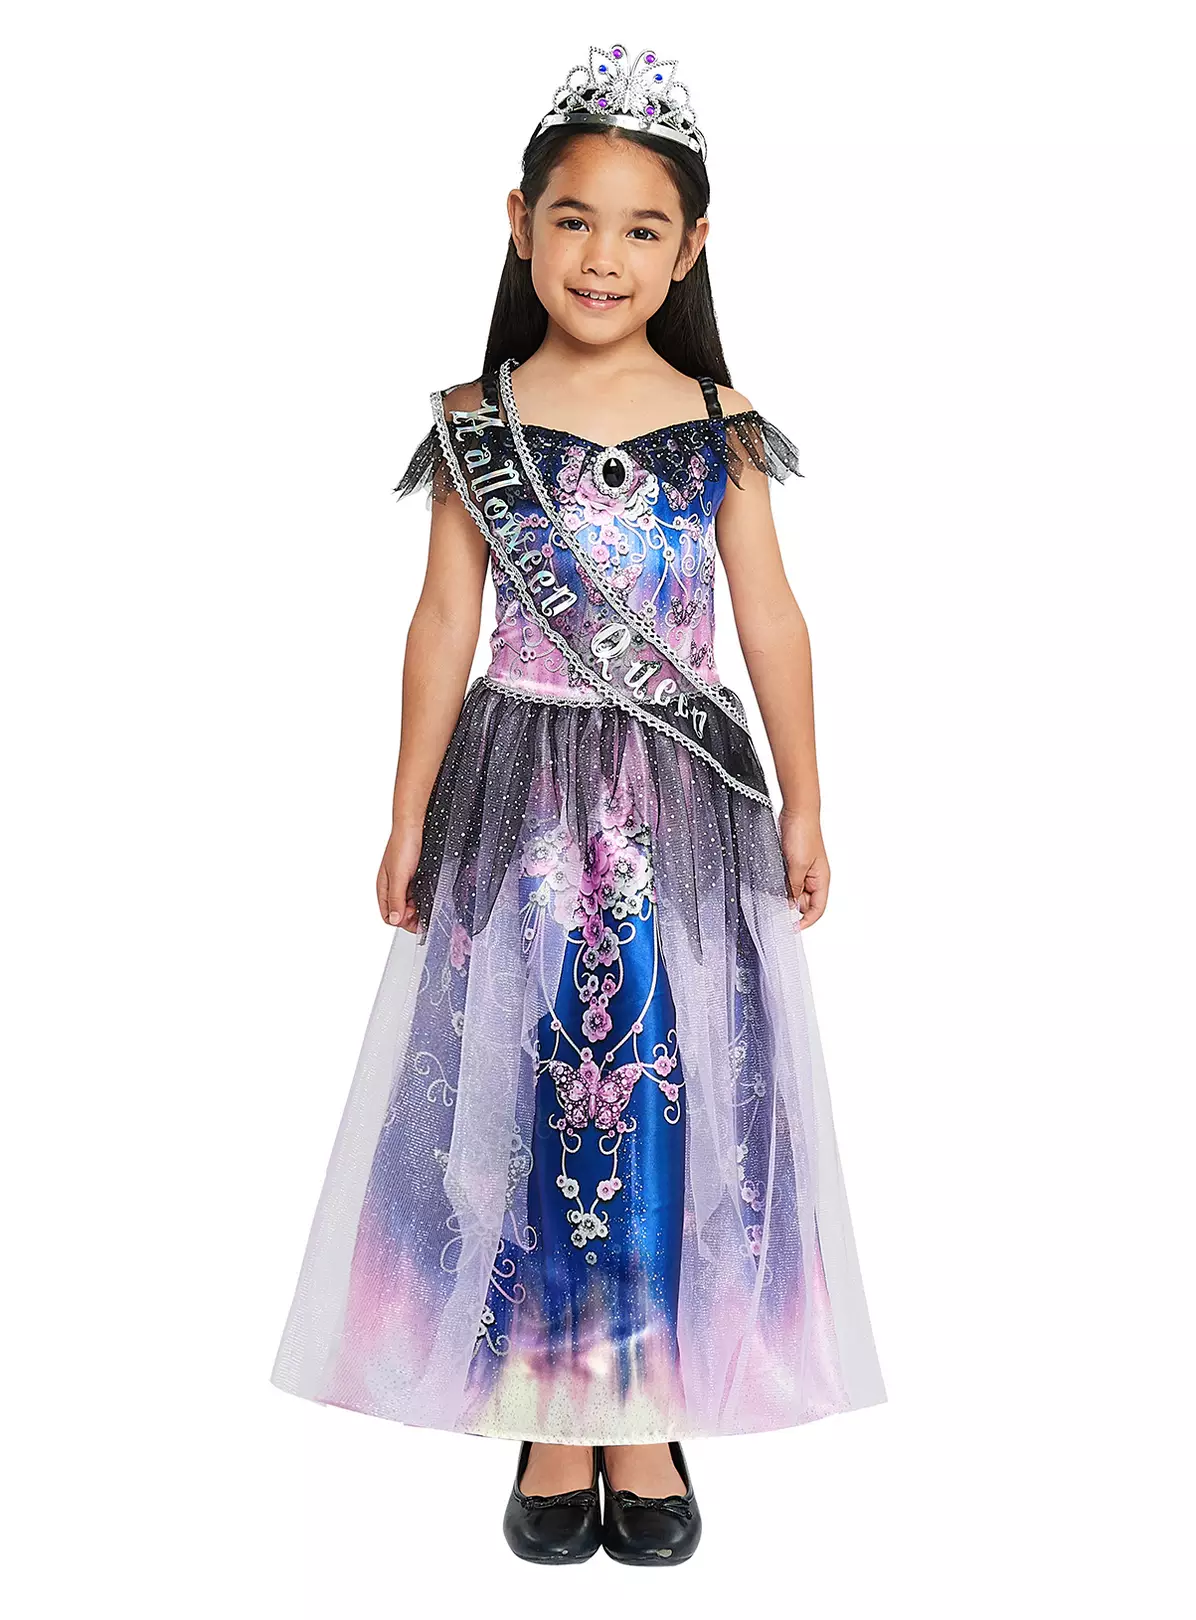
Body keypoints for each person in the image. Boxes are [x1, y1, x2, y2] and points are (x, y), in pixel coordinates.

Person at [271, 42, 886, 1567]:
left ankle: (646, 1405)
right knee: (540, 1082)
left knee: (666, 1084)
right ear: (519, 223)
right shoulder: (474, 421)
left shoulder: (718, 421)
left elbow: (771, 620)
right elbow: (441, 625)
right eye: (573, 219)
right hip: (520, 802)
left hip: (681, 808)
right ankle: (553, 1404)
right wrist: (406, 813)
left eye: (639, 228)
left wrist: (807, 802)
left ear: (691, 247)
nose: (602, 256)